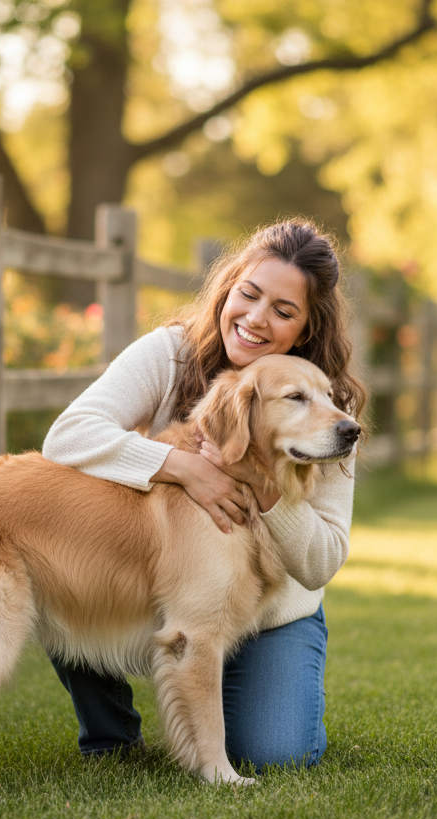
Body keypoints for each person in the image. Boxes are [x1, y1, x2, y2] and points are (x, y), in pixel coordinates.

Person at [41, 218, 367, 772]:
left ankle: (255, 696)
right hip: (153, 579)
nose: (256, 319)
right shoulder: (171, 353)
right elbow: (68, 436)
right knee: (70, 550)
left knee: (275, 754)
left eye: (284, 311)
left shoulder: (327, 413)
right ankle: (111, 737)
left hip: (271, 617)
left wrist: (269, 495)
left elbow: (322, 563)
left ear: (306, 330)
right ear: (229, 287)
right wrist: (183, 467)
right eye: (250, 294)